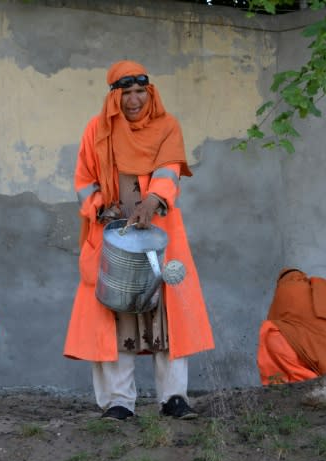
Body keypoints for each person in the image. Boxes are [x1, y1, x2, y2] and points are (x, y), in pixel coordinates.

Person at [63, 60, 215, 420]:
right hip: (114, 238)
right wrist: (102, 208)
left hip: (161, 236)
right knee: (115, 317)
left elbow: (169, 170)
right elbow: (84, 179)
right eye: (126, 92)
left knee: (168, 317)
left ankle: (174, 398)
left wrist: (152, 201)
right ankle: (119, 402)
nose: (134, 100)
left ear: (150, 92)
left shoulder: (167, 126)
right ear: (114, 97)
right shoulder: (96, 131)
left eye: (139, 91)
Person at [257, 268, 326, 385]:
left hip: (314, 365)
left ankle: (303, 381)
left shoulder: (285, 288)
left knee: (269, 330)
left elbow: (273, 318)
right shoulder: (323, 293)